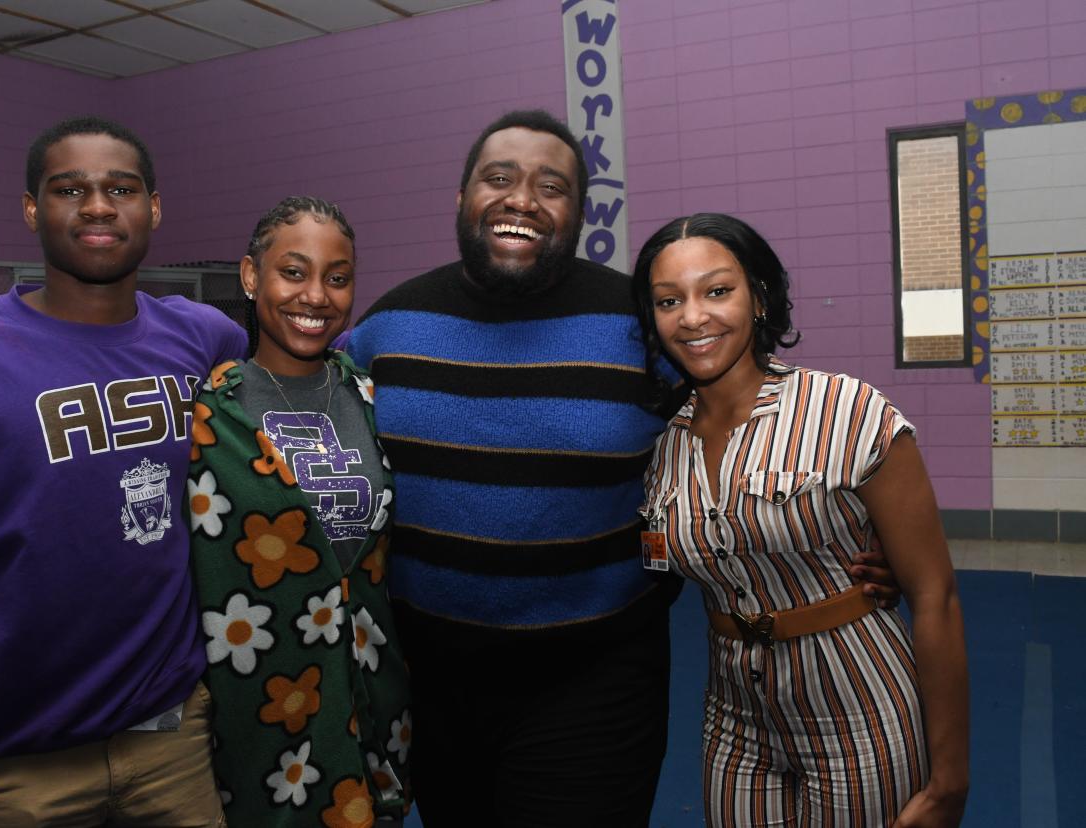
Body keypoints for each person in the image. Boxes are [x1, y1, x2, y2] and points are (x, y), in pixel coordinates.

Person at [346, 109, 900, 827]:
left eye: (552, 186)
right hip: (433, 682)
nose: (522, 199)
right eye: (499, 178)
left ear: (578, 214)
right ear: (462, 199)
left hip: (596, 680)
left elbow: (750, 412)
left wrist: (873, 521)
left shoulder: (638, 326)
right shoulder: (387, 330)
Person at [0, 115, 248, 828]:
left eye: (121, 188)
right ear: (32, 209)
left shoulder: (206, 339)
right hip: (19, 769)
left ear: (154, 207)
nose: (98, 205)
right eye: (69, 188)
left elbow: (304, 360)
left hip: (173, 747)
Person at [631, 213, 969, 827]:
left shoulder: (849, 410)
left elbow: (935, 595)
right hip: (734, 720)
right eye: (668, 300)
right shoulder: (663, 448)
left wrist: (950, 780)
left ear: (758, 298)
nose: (693, 317)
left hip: (860, 706)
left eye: (717, 290)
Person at [188, 197, 410, 826]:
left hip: (372, 691)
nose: (316, 295)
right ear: (251, 276)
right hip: (255, 700)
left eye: (337, 278)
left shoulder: (370, 395)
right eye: (294, 272)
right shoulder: (210, 411)